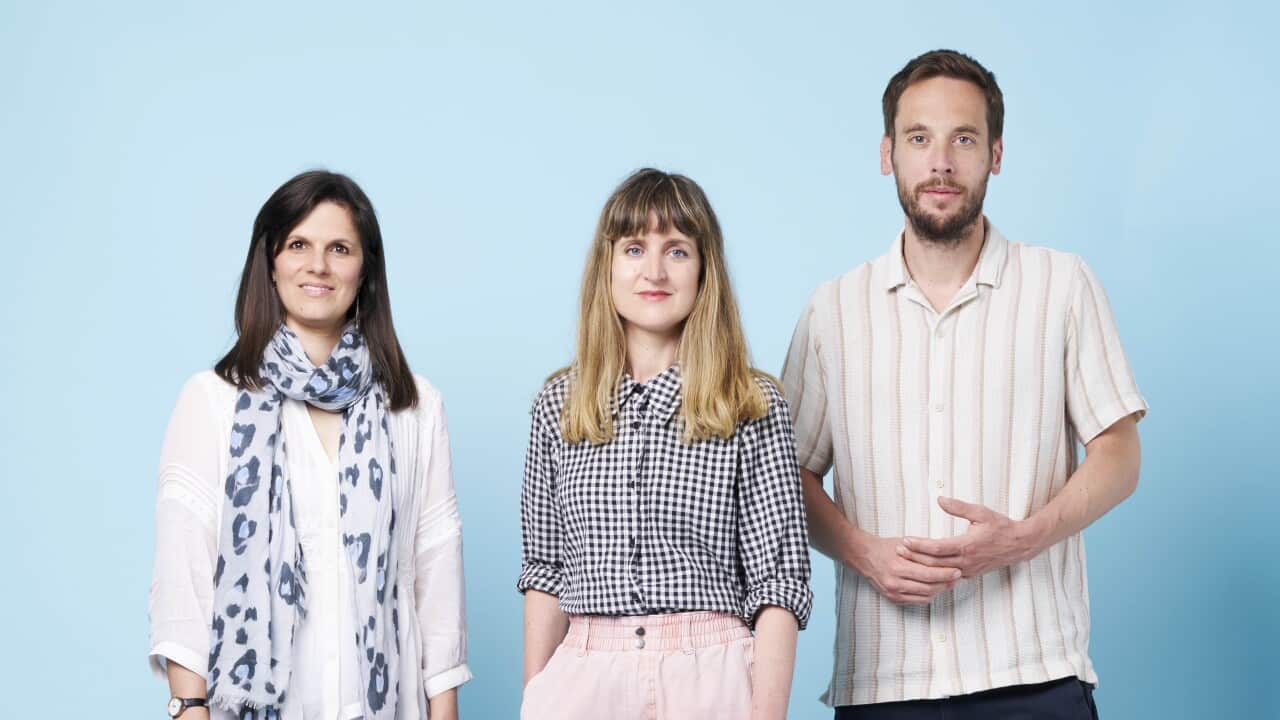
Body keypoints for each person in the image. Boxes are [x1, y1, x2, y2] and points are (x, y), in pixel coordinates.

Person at [782, 50, 1147, 719]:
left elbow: (1120, 455)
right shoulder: (831, 311)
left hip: (1036, 677)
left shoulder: (1061, 286)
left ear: (996, 155)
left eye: (964, 139)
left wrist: (1023, 539)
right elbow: (788, 478)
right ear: (887, 153)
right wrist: (863, 551)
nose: (941, 163)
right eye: (920, 139)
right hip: (882, 687)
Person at [148, 171, 471, 719]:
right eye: (298, 244)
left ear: (364, 270)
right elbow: (184, 574)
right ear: (269, 264)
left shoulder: (415, 407)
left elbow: (437, 577)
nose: (317, 265)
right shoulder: (214, 400)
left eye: (339, 248)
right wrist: (188, 706)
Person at [517, 168, 813, 720]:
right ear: (606, 267)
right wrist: (536, 694)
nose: (653, 270)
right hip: (583, 672)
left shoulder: (750, 402)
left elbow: (778, 581)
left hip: (712, 670)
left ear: (704, 270)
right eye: (633, 248)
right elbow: (546, 570)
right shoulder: (558, 404)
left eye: (676, 251)